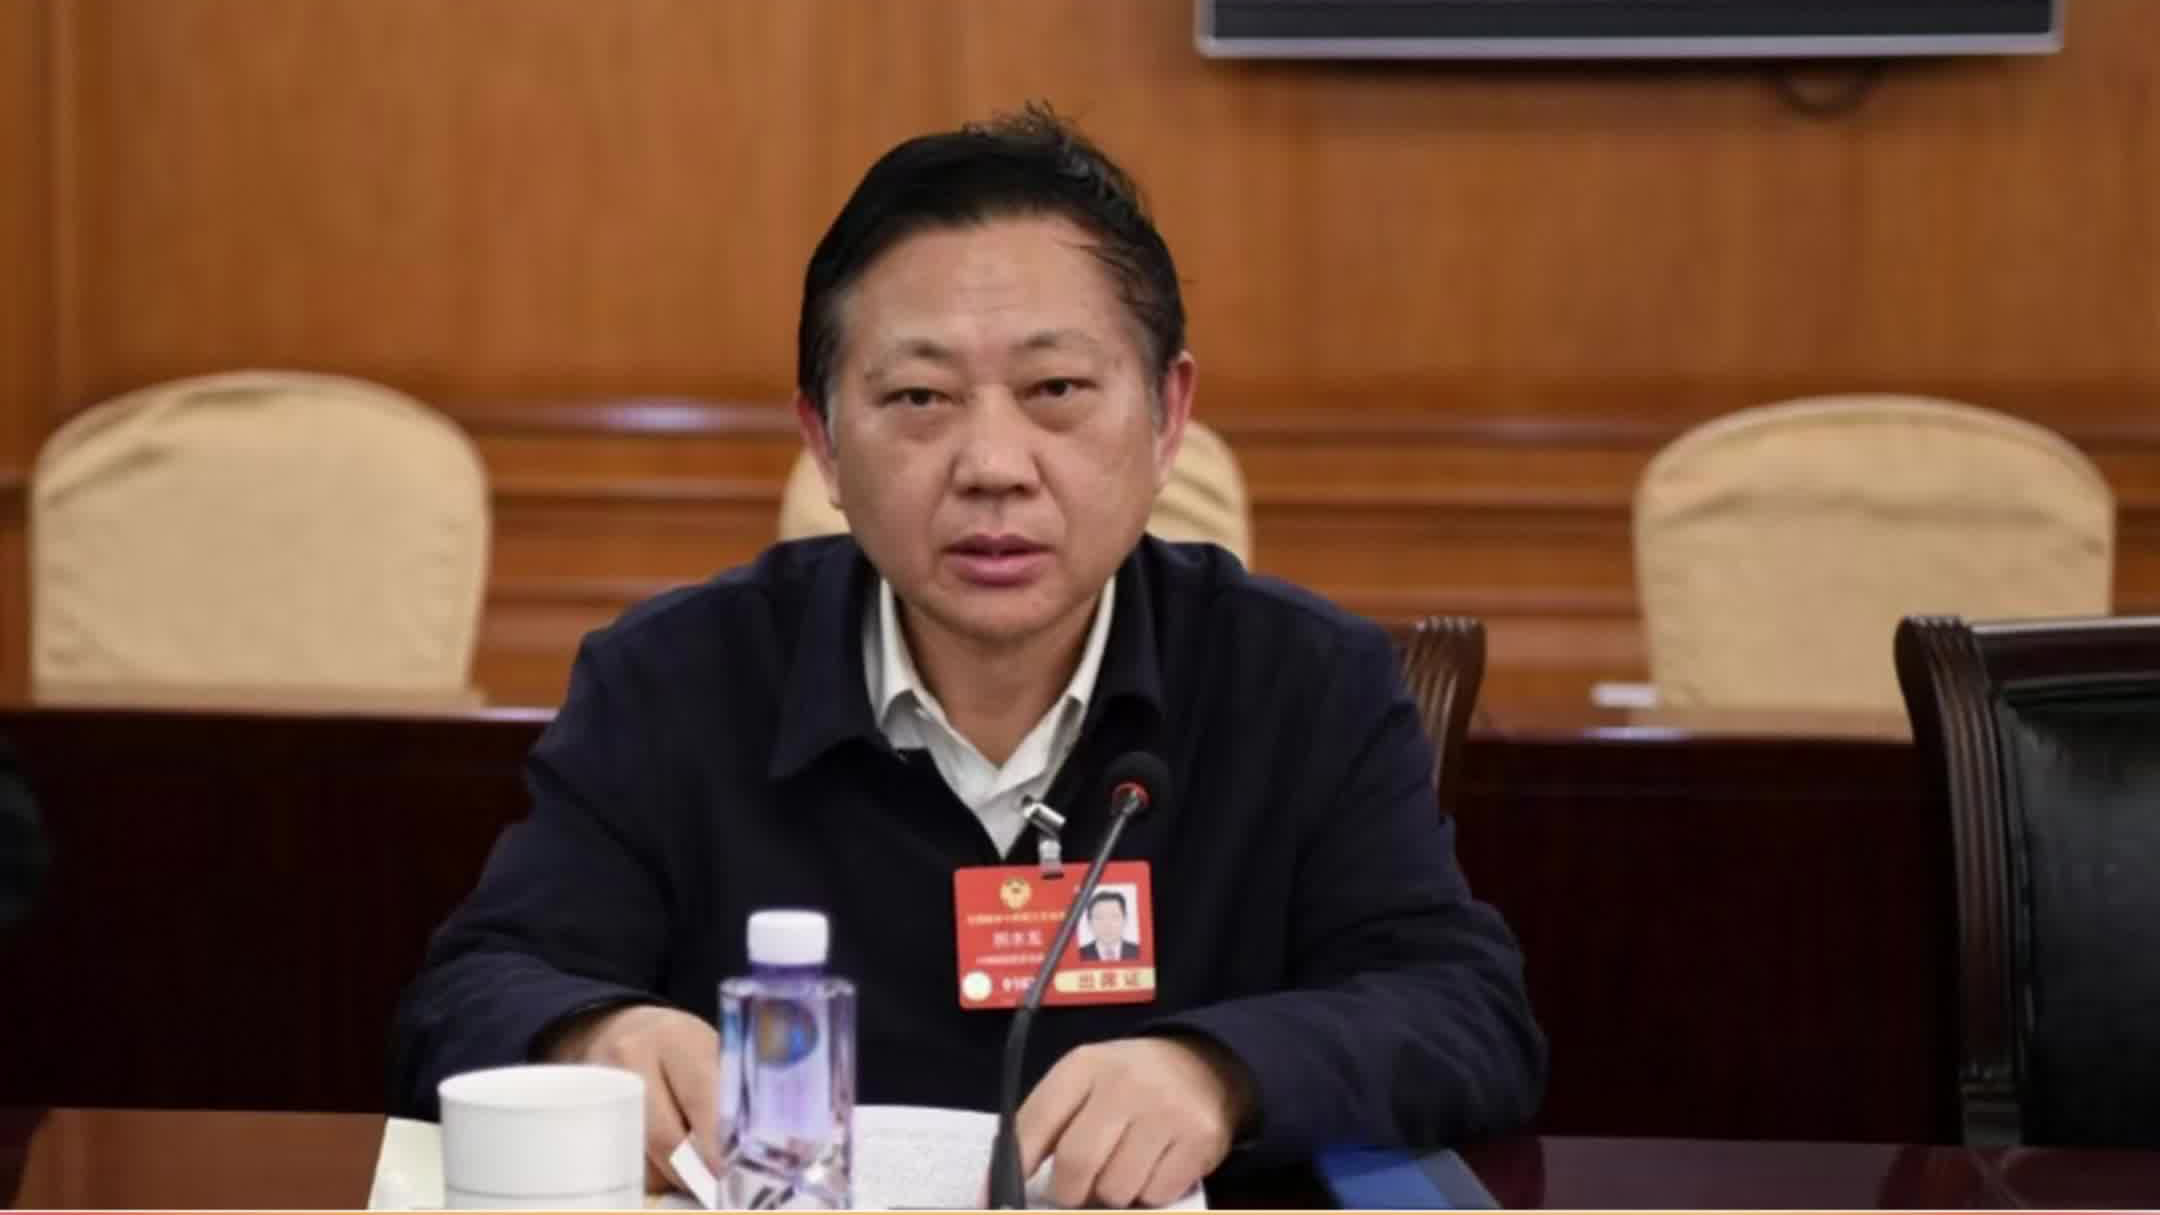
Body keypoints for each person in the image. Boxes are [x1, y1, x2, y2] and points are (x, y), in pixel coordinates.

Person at [391, 102, 1544, 1209]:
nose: (994, 464)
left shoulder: (1302, 683)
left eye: (1056, 391)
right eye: (919, 396)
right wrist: (594, 1037)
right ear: (824, 441)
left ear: (1167, 416)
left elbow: (1466, 1011)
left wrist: (1221, 1071)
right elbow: (469, 994)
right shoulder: (674, 683)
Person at [1076, 890, 1140, 963]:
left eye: (1114, 916)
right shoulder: (1080, 954)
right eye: (1100, 917)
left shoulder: (1138, 951)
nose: (1107, 924)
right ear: (1089, 922)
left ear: (1125, 919)